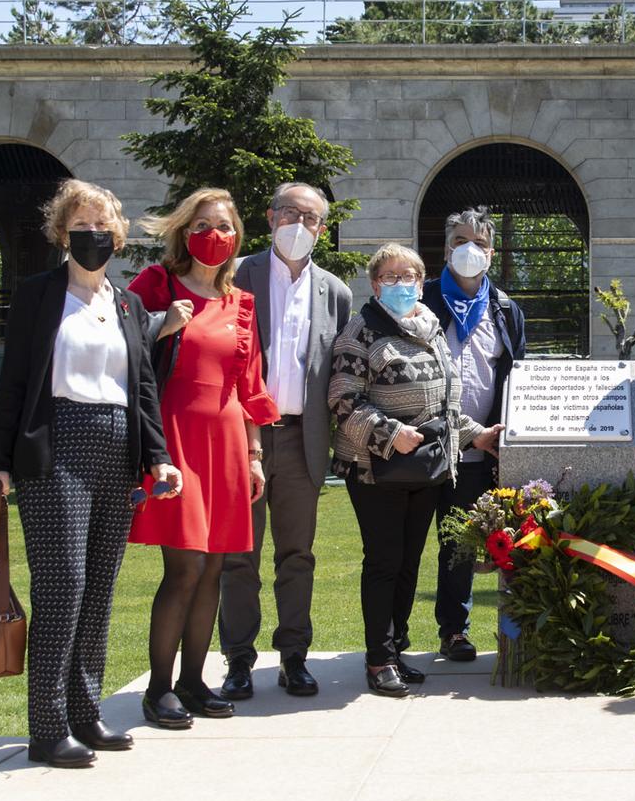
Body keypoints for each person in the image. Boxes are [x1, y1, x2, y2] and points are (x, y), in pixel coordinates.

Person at [0, 179, 180, 768]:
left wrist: (158, 455)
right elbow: (14, 381)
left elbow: (142, 387)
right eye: (81, 226)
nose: (93, 235)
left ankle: (87, 712)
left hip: (115, 447)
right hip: (54, 448)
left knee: (98, 590)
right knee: (62, 587)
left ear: (117, 236)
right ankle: (47, 726)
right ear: (62, 233)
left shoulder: (127, 305)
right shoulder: (39, 296)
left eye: (103, 226)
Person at [126, 188, 279, 729]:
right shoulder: (155, 284)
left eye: (225, 225)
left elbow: (248, 383)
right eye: (204, 224)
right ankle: (159, 688)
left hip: (229, 445)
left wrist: (256, 453)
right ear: (184, 231)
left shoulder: (241, 301)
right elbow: (115, 343)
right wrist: (161, 323)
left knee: (215, 564)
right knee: (185, 564)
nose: (215, 235)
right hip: (173, 438)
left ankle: (193, 682)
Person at [328, 244, 504, 697]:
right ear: (374, 283)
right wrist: (388, 433)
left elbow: (446, 403)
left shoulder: (431, 328)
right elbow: (343, 400)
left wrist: (476, 434)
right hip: (375, 469)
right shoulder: (359, 332)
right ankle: (378, 658)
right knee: (384, 562)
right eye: (390, 276)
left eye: (409, 275)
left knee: (409, 563)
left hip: (425, 469)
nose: (401, 283)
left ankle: (397, 649)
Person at [214, 182, 353, 702]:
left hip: (302, 440)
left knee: (297, 555)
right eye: (290, 213)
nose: (300, 224)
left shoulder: (335, 292)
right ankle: (238, 661)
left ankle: (294, 657)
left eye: (311, 217)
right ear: (270, 218)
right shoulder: (236, 276)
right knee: (238, 557)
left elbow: (338, 375)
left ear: (322, 227)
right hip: (241, 442)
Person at [422, 205, 526, 663]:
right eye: (462, 241)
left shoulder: (505, 309)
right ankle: (390, 640)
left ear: (491, 252)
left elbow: (517, 375)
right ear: (447, 247)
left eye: (480, 244)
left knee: (460, 543)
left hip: (481, 448)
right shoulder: (421, 299)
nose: (471, 250)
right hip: (422, 446)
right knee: (404, 547)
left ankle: (455, 631)